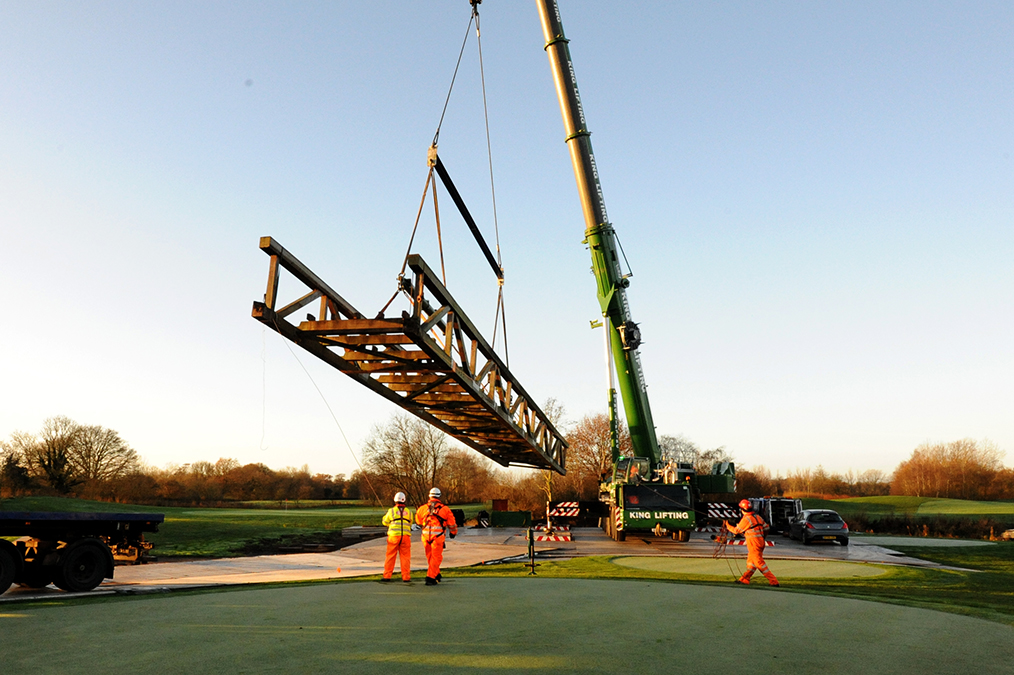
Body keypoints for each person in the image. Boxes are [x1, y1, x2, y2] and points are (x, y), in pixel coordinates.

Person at [724, 499, 779, 586]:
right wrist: (762, 537)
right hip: (761, 542)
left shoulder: (746, 519)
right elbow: (766, 528)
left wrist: (727, 525)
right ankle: (744, 579)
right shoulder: (757, 517)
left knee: (759, 563)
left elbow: (736, 531)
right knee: (751, 563)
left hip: (754, 544)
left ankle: (773, 581)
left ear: (742, 509)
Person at [415, 487, 457, 586]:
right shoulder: (445, 509)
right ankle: (430, 577)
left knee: (430, 557)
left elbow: (418, 521)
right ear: (439, 496)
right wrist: (453, 533)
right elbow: (452, 523)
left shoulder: (422, 508)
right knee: (436, 557)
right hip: (437, 537)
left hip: (425, 537)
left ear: (429, 496)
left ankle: (436, 573)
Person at [381, 492, 413, 582]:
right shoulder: (409, 512)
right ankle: (406, 577)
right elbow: (410, 523)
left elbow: (385, 522)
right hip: (406, 537)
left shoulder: (391, 511)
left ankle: (387, 576)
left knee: (390, 556)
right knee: (405, 557)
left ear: (395, 500)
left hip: (394, 537)